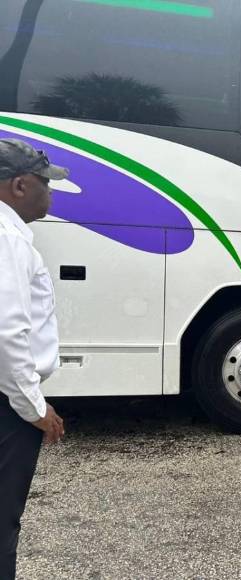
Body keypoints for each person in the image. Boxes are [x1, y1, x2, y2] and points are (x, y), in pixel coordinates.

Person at [0, 139, 68, 578]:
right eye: (46, 183)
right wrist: (35, 408)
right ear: (20, 185)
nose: (52, 193)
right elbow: (6, 333)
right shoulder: (8, 240)